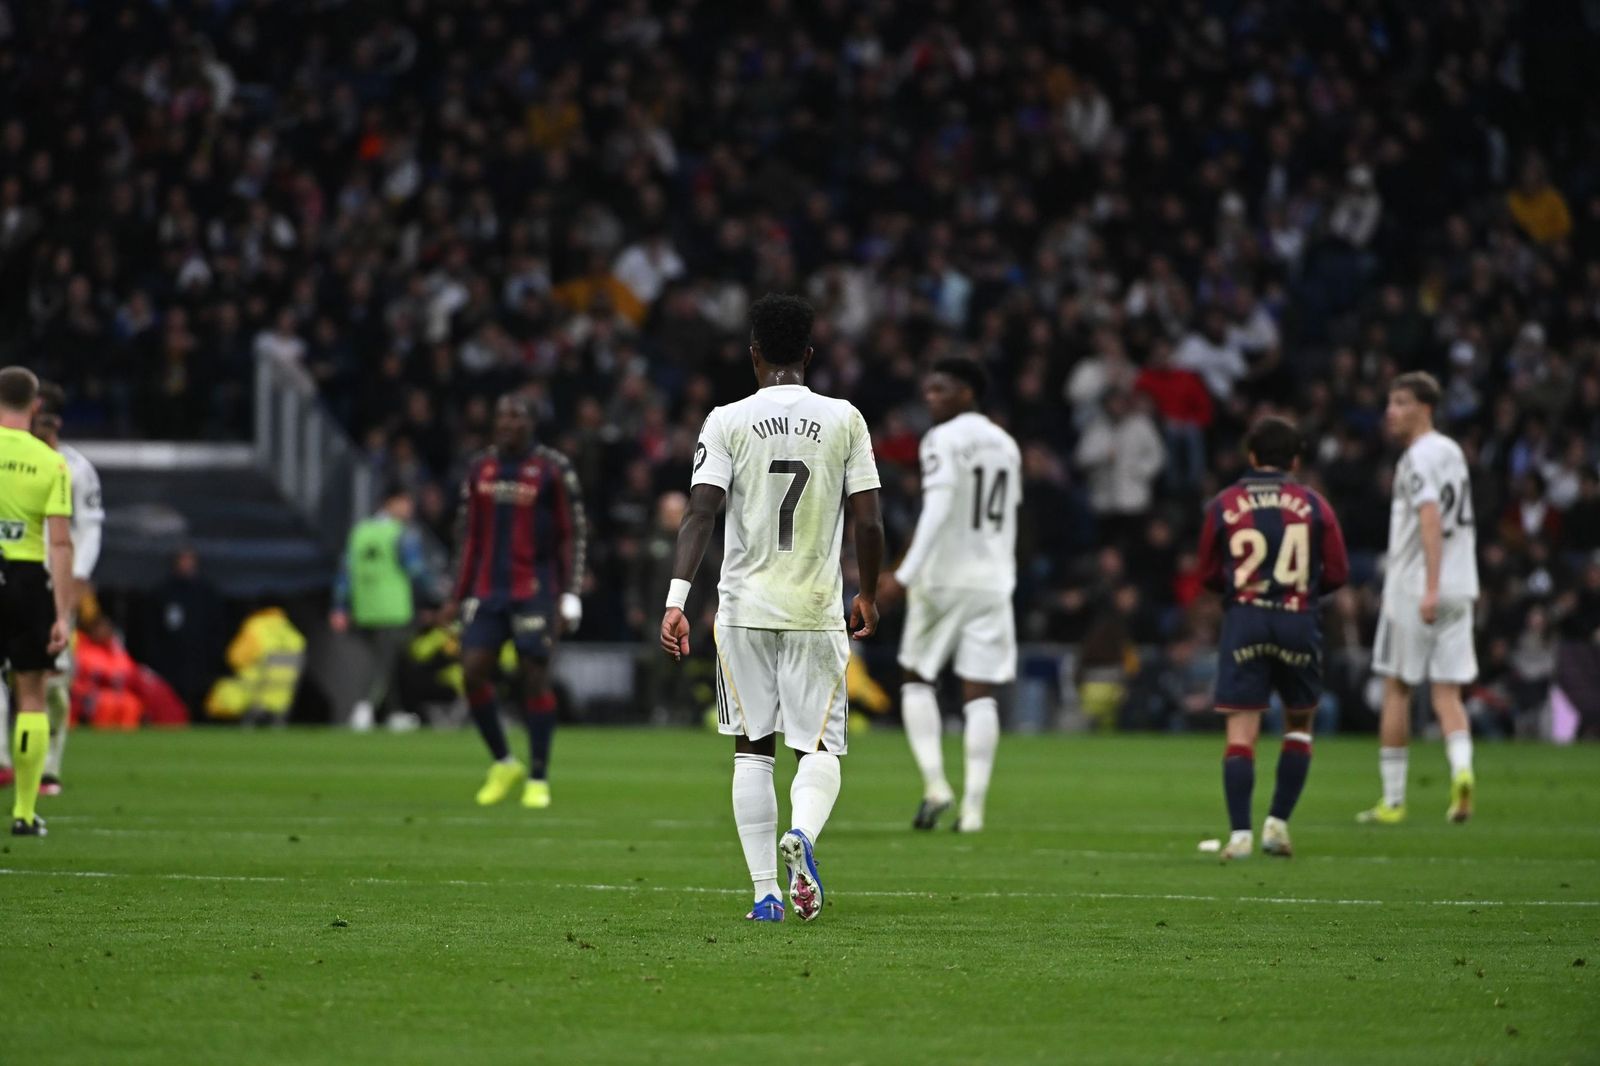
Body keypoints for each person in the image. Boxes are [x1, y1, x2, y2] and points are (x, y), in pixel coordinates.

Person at [658, 293, 883, 923]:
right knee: (817, 749)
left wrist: (677, 600)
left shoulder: (726, 419)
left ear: (753, 354)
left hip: (743, 609)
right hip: (814, 607)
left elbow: (700, 512)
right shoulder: (845, 419)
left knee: (751, 748)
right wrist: (867, 590)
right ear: (810, 354)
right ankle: (803, 839)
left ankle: (765, 894)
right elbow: (869, 519)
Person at [1195, 417, 1349, 859]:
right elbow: (1337, 572)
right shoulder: (1314, 504)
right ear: (1295, 459)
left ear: (1251, 456)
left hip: (1245, 619)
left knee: (1241, 730)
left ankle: (1240, 835)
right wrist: (1300, 593)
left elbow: (1206, 572)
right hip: (1297, 620)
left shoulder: (1224, 504)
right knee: (1299, 724)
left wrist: (1240, 592)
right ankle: (1277, 826)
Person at [878, 357, 1020, 833]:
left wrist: (902, 575)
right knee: (981, 693)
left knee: (917, 677)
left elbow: (937, 509)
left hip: (944, 577)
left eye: (941, 389)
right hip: (993, 579)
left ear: (967, 391)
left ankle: (937, 784)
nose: (930, 397)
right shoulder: (1006, 443)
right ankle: (975, 810)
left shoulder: (942, 439)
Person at [450, 394, 587, 810]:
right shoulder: (480, 467)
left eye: (516, 417)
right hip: (489, 591)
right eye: (502, 416)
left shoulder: (552, 468)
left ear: (532, 423)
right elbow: (468, 536)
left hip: (535, 592)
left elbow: (573, 532)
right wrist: (458, 595)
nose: (507, 423)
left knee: (534, 677)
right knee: (472, 674)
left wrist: (570, 594)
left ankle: (538, 776)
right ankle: (503, 761)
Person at [1360, 372, 1480, 825]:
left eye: (1401, 402)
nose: (1391, 411)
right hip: (1462, 583)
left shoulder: (1416, 458)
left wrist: (1428, 586)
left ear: (1425, 408)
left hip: (1416, 587)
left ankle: (1392, 801)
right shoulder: (1453, 452)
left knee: (1397, 687)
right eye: (1389, 402)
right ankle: (1462, 772)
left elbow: (1430, 517)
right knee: (1448, 692)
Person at [0, 367, 75, 837]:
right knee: (31, 695)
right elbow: (61, 544)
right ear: (36, 406)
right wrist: (63, 614)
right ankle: (24, 813)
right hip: (27, 581)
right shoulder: (51, 463)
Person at [32, 382, 102, 794]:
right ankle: (5, 759)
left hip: (55, 583)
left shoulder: (75, 468)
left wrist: (77, 577)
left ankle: (49, 764)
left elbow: (89, 529)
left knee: (55, 682)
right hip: (12, 577)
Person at [330, 485, 432, 732]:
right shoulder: (402, 534)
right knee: (384, 663)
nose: (409, 508)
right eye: (405, 502)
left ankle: (395, 714)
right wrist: (433, 598)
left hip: (365, 607)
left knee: (387, 660)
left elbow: (346, 571)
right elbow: (416, 571)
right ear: (390, 503)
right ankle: (362, 710)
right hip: (393, 607)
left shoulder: (360, 531)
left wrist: (340, 606)